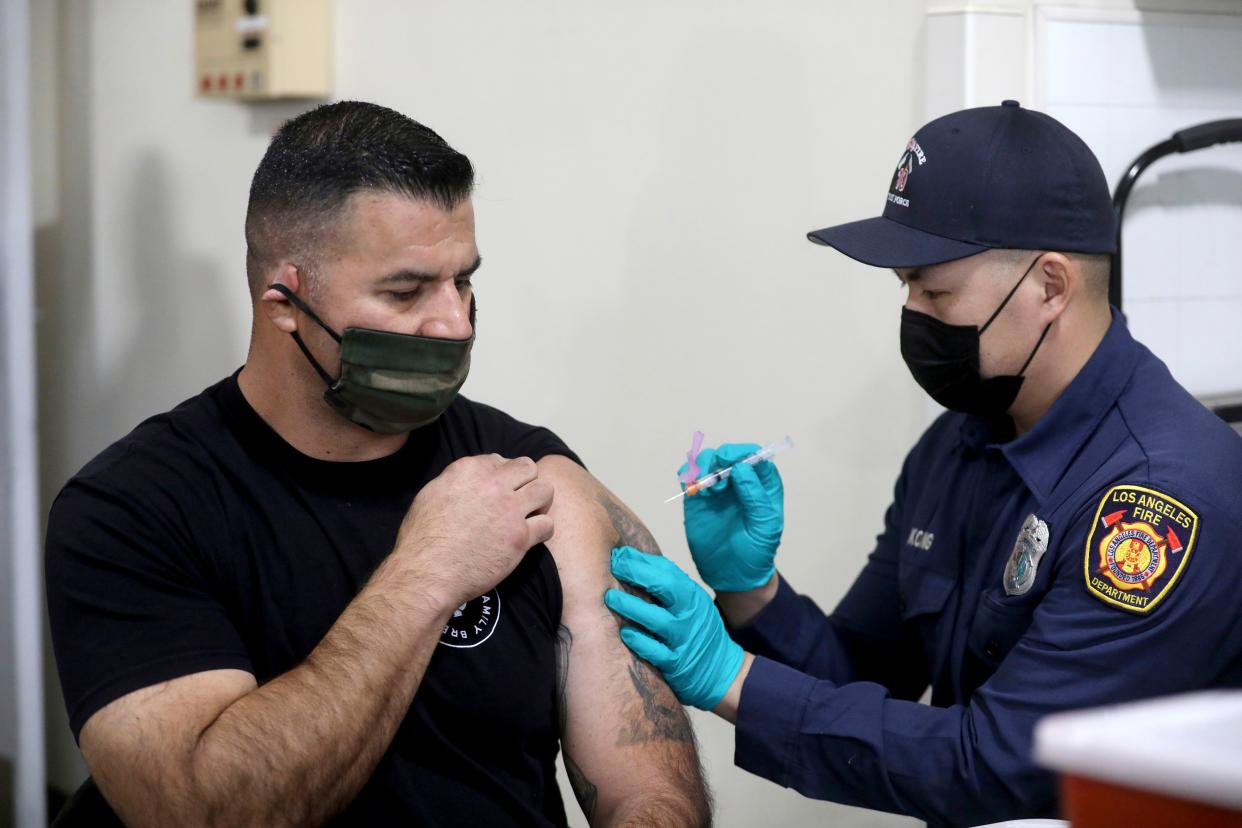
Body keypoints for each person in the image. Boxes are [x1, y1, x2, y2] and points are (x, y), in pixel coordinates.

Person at [45, 101, 709, 827]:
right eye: (407, 290)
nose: (454, 322)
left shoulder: (529, 477)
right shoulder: (135, 509)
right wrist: (429, 570)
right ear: (285, 301)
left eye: (463, 281)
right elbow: (203, 810)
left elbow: (650, 794)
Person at [604, 100, 1242, 827]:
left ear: (1051, 287)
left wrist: (729, 679)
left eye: (936, 290)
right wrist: (752, 593)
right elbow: (867, 675)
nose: (911, 313)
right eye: (904, 285)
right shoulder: (957, 446)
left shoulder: (1156, 501)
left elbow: (998, 767)